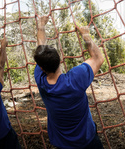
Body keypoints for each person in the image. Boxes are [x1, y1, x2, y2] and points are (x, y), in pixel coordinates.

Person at [34, 15, 105, 149]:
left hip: (62, 145)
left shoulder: (40, 80)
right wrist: (85, 34)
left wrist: (41, 26)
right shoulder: (76, 79)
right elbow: (98, 58)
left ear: (41, 67)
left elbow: (40, 46)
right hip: (88, 141)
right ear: (60, 60)